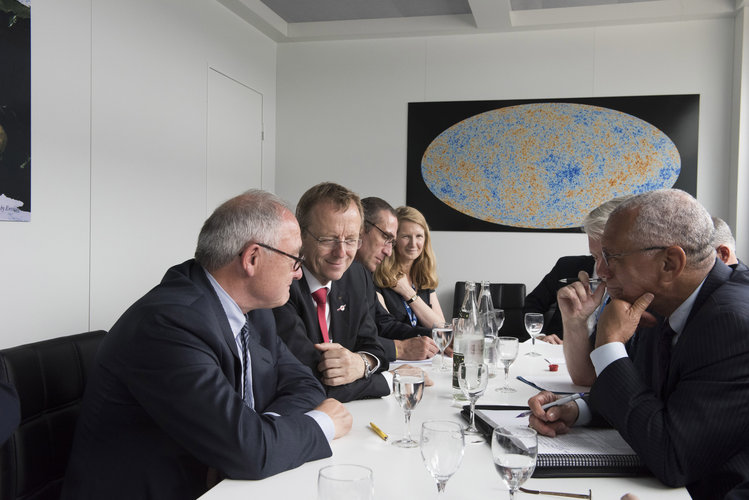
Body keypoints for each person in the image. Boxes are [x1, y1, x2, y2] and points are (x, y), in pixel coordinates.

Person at [62, 190, 351, 500]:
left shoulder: (255, 311)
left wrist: (266, 429)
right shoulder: (168, 324)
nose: (298, 273)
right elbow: (249, 451)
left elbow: (305, 385)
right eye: (295, 259)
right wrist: (322, 423)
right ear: (252, 258)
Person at [527, 189, 749, 500]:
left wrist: (609, 345)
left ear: (669, 263)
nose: (601, 272)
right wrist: (578, 410)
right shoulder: (658, 300)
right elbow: (649, 394)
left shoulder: (734, 323)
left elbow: (672, 457)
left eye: (611, 257)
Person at [273, 182, 392, 402]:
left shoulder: (356, 276)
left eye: (351, 240)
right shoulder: (280, 284)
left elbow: (376, 349)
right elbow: (313, 380)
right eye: (327, 239)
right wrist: (388, 381)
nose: (341, 252)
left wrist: (361, 363)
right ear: (301, 236)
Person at [524, 195, 633, 348]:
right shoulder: (567, 266)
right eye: (595, 256)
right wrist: (540, 336)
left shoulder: (641, 289)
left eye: (610, 257)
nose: (600, 270)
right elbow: (532, 304)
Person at [356, 197, 439, 361]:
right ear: (361, 229)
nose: (388, 251)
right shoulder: (372, 275)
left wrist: (435, 337)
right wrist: (400, 349)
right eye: (406, 237)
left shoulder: (360, 273)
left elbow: (385, 325)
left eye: (419, 236)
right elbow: (373, 334)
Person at [374, 206, 446, 329]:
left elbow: (442, 329)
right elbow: (386, 329)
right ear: (394, 240)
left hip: (430, 347)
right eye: (406, 236)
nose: (413, 244)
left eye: (419, 236)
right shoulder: (378, 277)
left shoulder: (423, 277)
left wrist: (408, 293)